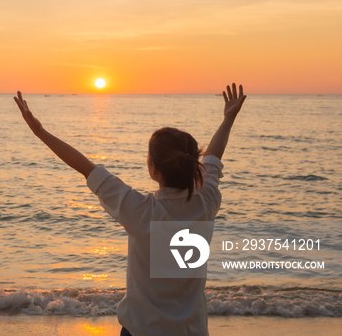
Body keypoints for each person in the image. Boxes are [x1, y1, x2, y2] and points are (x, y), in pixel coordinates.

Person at [13, 84, 247, 336]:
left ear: (153, 168)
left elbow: (85, 167)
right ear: (191, 164)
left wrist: (41, 132)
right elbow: (213, 159)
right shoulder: (207, 202)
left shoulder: (140, 211)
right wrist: (228, 119)